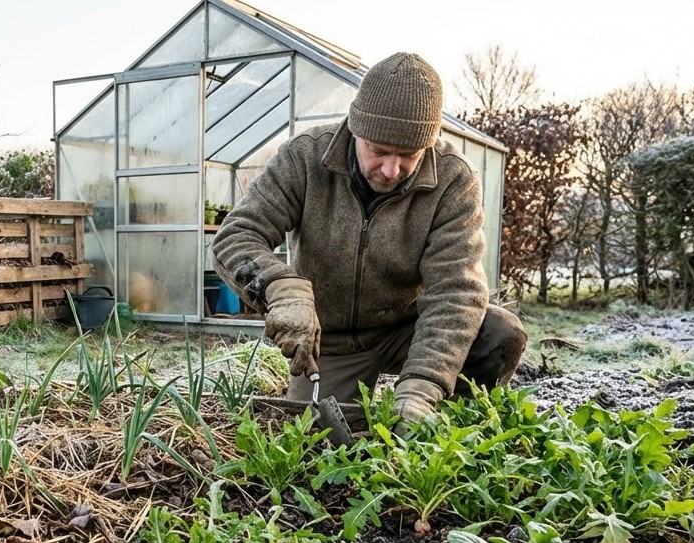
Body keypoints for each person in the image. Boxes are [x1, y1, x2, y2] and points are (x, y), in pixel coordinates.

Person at [213, 52, 527, 429]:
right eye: (378, 151)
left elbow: (455, 291)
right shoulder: (305, 157)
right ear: (355, 128)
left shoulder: (453, 179)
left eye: (408, 155)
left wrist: (423, 386)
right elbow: (237, 235)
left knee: (499, 333)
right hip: (330, 340)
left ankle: (444, 427)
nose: (392, 170)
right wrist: (280, 288)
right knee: (316, 439)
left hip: (407, 330)